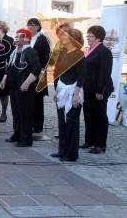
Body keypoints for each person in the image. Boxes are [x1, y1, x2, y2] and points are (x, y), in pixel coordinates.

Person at [0, 28, 41, 147]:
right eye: (16, 36)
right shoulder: (15, 52)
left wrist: (27, 82)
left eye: (20, 36)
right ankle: (17, 134)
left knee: (25, 113)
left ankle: (26, 139)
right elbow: (10, 67)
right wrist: (4, 79)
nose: (17, 38)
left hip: (24, 86)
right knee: (16, 112)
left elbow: (36, 69)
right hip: (14, 84)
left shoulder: (30, 52)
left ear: (27, 39)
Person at [51, 29, 85, 162]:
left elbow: (81, 77)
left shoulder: (79, 54)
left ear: (73, 38)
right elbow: (58, 73)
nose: (62, 37)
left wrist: (76, 95)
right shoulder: (63, 53)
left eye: (65, 35)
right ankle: (62, 150)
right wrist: (56, 90)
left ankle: (71, 154)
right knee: (61, 121)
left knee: (72, 122)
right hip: (62, 89)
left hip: (72, 91)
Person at [82, 25, 114, 154]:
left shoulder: (104, 51)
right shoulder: (88, 50)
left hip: (99, 89)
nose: (88, 38)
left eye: (90, 36)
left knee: (99, 116)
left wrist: (100, 90)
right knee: (88, 115)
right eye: (87, 36)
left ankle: (100, 144)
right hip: (88, 89)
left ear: (98, 37)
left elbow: (105, 73)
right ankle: (89, 140)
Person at [26, 18, 51, 133]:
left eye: (33, 25)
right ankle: (29, 123)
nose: (30, 27)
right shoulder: (26, 38)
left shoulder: (42, 39)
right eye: (29, 25)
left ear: (37, 26)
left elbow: (47, 56)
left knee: (37, 100)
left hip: (39, 72)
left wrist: (42, 70)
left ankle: (38, 125)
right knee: (29, 99)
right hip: (27, 72)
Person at [0, 21, 15, 122]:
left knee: (4, 93)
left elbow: (11, 55)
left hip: (5, 69)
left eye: (0, 28)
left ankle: (3, 113)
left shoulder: (9, 40)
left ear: (4, 29)